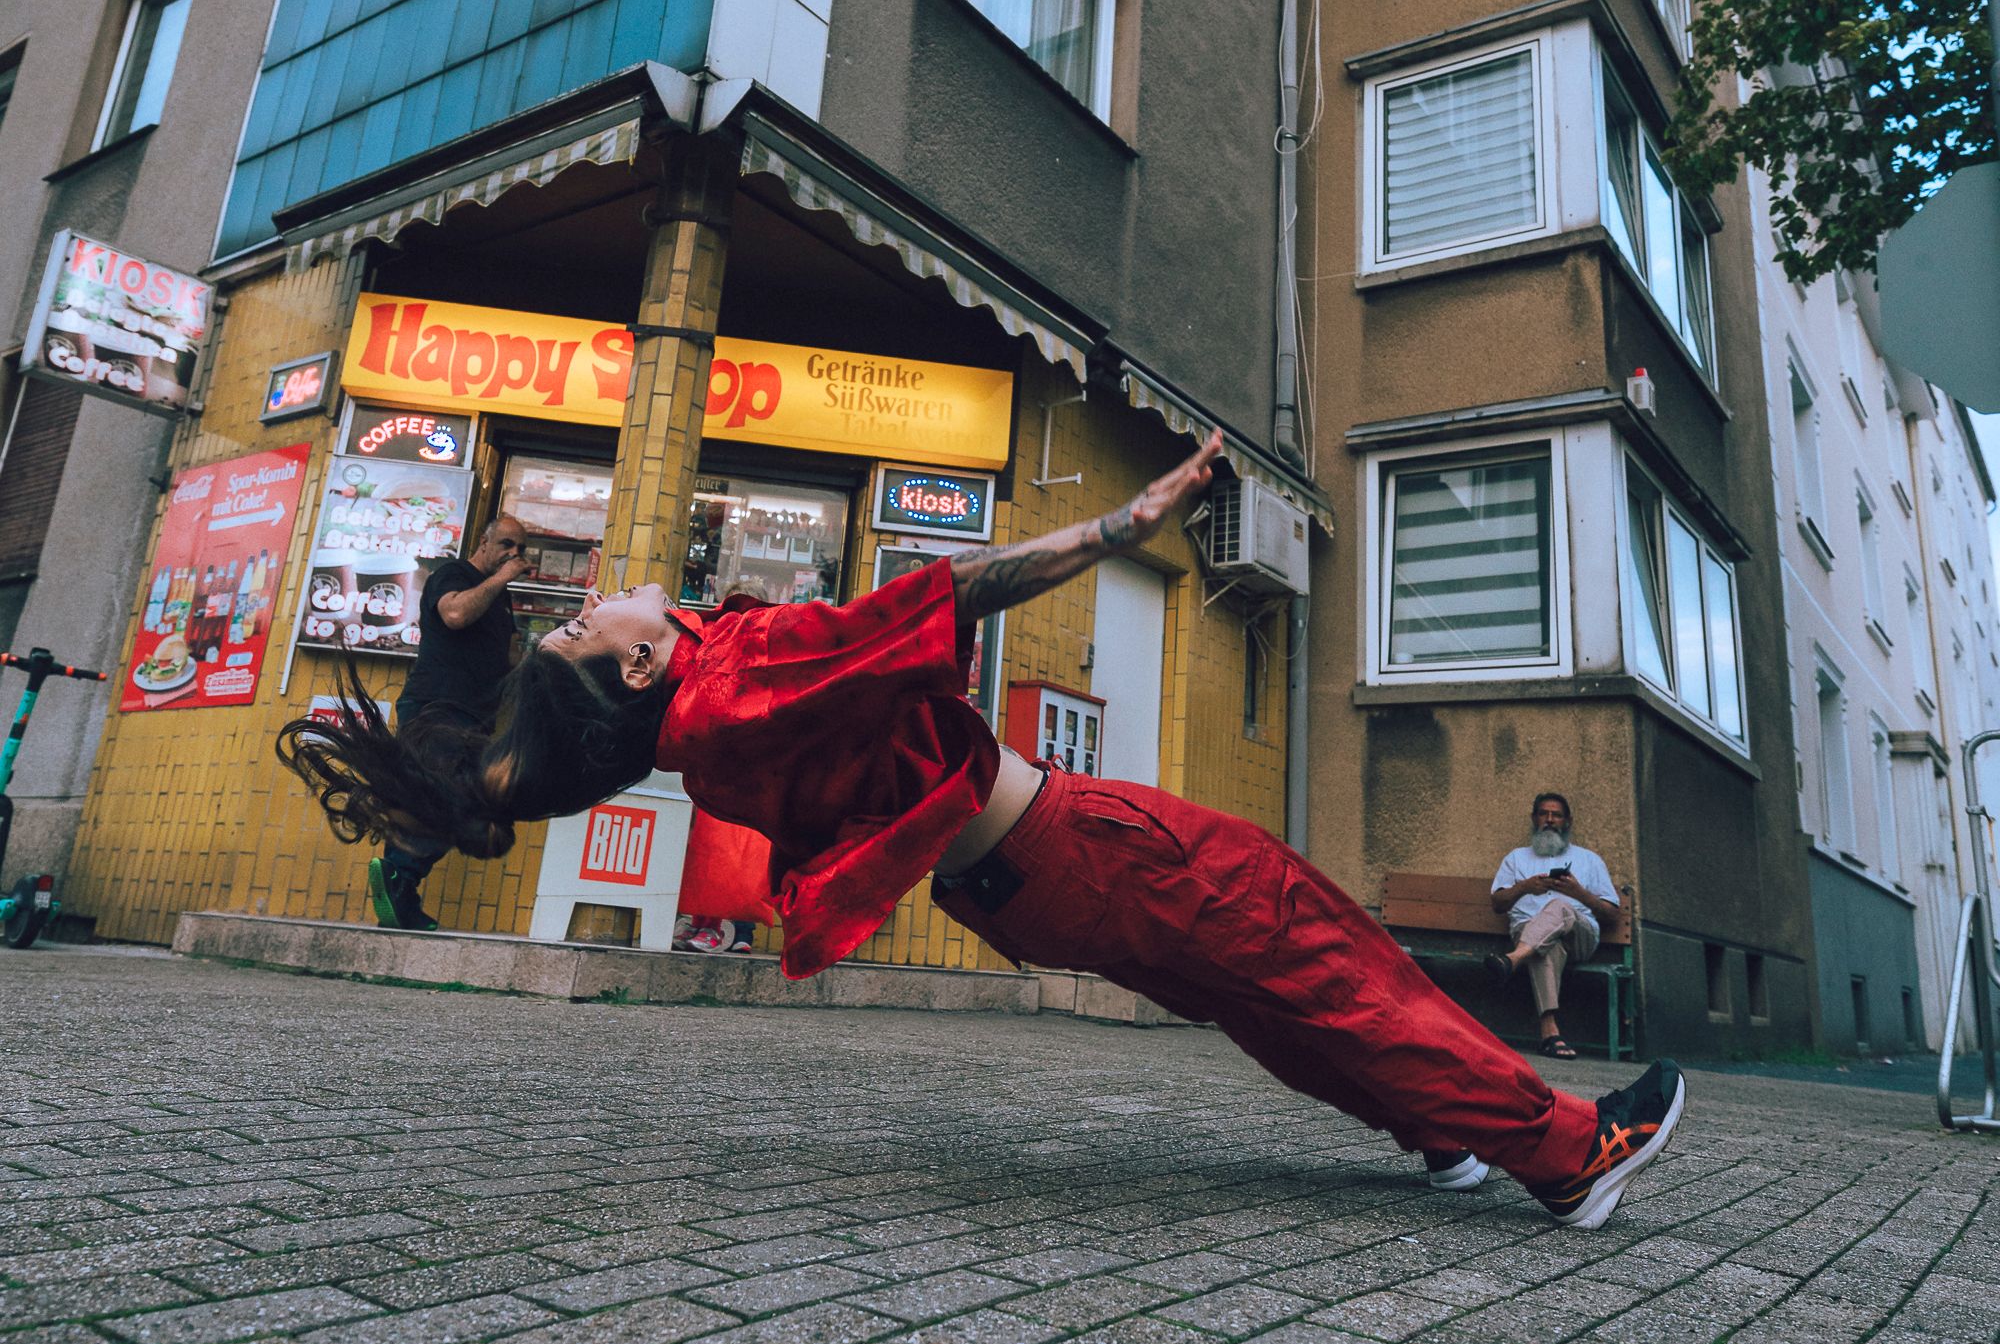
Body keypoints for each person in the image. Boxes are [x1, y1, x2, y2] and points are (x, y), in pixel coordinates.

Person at [282, 439, 1683, 1227]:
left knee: (1263, 994)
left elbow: (517, 775)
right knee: (1314, 943)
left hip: (1018, 892)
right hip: (1079, 841)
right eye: (601, 619)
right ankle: (1568, 1153)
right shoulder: (733, 673)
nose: (616, 588)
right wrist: (1113, 529)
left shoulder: (699, 742)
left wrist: (468, 649)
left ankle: (1435, 1125)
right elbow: (936, 601)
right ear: (641, 667)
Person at [364, 511, 529, 928]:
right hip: (437, 709)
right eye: (507, 544)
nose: (515, 554)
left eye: (521, 549)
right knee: (443, 799)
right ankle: (400, 874)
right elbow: (454, 615)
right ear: (484, 543)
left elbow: (508, 660)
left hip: (474, 718)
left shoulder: (499, 598)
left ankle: (401, 890)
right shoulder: (453, 574)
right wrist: (500, 580)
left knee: (450, 801)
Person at [1487, 794, 1622, 1062]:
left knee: (1560, 906)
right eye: (1543, 814)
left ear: (1567, 821)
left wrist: (1579, 893)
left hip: (1579, 937)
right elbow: (1498, 904)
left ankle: (1512, 960)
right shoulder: (1516, 858)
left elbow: (1613, 915)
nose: (1549, 820)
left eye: (1556, 815)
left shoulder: (1589, 860)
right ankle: (1550, 1033)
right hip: (1529, 932)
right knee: (1545, 948)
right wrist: (1525, 887)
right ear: (1534, 818)